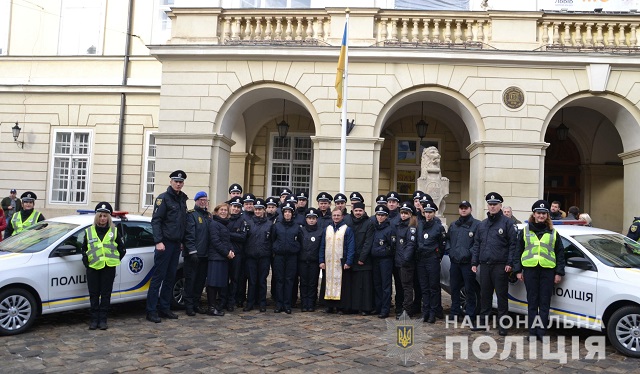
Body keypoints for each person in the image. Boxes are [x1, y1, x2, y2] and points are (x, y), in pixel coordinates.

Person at [514, 200, 565, 341]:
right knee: (532, 302)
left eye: (544, 213)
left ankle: (541, 332)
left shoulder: (553, 233)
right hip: (530, 270)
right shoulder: (525, 231)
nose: (541, 216)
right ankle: (532, 332)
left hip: (547, 271)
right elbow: (517, 252)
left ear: (547, 215)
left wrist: (559, 273)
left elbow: (560, 254)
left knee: (544, 303)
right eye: (538, 213)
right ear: (534, 214)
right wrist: (518, 270)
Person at [471, 192, 518, 335]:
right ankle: (484, 322)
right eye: (490, 205)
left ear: (500, 206)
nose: (492, 207)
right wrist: (474, 261)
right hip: (485, 264)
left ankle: (503, 325)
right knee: (485, 295)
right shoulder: (482, 224)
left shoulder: (507, 223)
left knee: (502, 296)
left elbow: (513, 245)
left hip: (500, 265)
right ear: (488, 206)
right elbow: (477, 244)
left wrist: (510, 262)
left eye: (495, 205)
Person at [146, 170, 188, 323]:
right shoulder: (163, 199)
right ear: (171, 182)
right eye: (176, 181)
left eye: (181, 182)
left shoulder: (182, 199)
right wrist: (158, 241)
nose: (178, 184)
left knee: (170, 277)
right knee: (158, 278)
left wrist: (182, 241)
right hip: (164, 244)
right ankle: (151, 310)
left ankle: (164, 308)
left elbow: (181, 223)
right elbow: (156, 221)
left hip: (176, 244)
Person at [81, 202, 126, 330]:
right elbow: (83, 249)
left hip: (109, 268)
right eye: (100, 216)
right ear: (97, 217)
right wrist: (87, 263)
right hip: (93, 267)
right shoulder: (89, 231)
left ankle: (103, 320)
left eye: (105, 216)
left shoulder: (114, 231)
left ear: (108, 218)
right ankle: (94, 320)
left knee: (106, 295)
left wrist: (114, 260)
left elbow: (122, 249)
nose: (102, 219)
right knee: (94, 294)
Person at [447, 201, 481, 322]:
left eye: (466, 208)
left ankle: (470, 315)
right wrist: (450, 251)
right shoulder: (454, 225)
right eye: (461, 208)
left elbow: (478, 243)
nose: (463, 210)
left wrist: (469, 253)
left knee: (469, 289)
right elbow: (448, 241)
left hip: (468, 263)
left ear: (470, 209)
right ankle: (455, 313)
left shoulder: (477, 225)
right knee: (455, 289)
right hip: (455, 262)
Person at [415, 200, 446, 323]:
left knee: (433, 287)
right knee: (424, 287)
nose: (428, 214)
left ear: (434, 213)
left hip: (432, 259)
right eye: (426, 212)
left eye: (430, 212)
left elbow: (442, 244)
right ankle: (425, 311)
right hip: (421, 259)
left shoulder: (438, 227)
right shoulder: (420, 225)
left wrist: (437, 256)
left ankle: (433, 312)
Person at [319, 207, 355, 314]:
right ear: (331, 216)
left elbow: (351, 246)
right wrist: (321, 261)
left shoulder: (347, 229)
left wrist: (349, 261)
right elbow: (322, 246)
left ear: (342, 216)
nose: (336, 217)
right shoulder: (327, 229)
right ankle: (329, 306)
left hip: (341, 262)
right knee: (328, 283)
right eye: (334, 215)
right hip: (329, 262)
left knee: (341, 285)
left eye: (338, 215)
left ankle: (340, 307)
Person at [342, 201, 374, 315]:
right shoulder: (346, 221)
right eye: (356, 211)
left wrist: (362, 258)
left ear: (364, 211)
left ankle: (364, 308)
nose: (358, 213)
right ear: (352, 211)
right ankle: (351, 307)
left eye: (360, 211)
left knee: (363, 286)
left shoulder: (369, 223)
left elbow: (368, 242)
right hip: (350, 258)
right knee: (351, 285)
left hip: (363, 260)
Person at [184, 191, 211, 316]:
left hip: (205, 255)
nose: (203, 202)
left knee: (200, 282)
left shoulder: (208, 216)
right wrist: (192, 251)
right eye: (200, 200)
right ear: (196, 201)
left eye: (205, 200)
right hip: (193, 255)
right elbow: (189, 235)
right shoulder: (191, 215)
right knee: (191, 281)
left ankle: (196, 303)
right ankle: (189, 306)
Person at [271, 202, 300, 314]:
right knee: (279, 280)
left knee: (289, 280)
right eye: (285, 212)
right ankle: (279, 304)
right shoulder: (276, 226)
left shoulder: (297, 227)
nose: (287, 214)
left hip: (292, 257)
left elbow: (300, 241)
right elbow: (273, 239)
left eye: (289, 212)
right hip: (279, 256)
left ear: (292, 213)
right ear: (283, 213)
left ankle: (287, 304)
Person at [243, 198, 272, 312]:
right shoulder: (249, 223)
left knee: (262, 281)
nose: (258, 211)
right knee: (252, 281)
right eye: (256, 209)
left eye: (260, 209)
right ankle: (250, 302)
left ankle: (262, 303)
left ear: (264, 210)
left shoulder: (270, 224)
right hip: (251, 256)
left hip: (264, 256)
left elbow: (272, 239)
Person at [206, 203, 235, 316]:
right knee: (213, 284)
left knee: (219, 283)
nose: (223, 212)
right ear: (217, 211)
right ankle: (211, 307)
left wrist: (231, 250)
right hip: (216, 258)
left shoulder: (224, 224)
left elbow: (227, 241)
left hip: (222, 258)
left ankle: (216, 306)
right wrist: (227, 253)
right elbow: (215, 241)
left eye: (225, 210)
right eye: (221, 210)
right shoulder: (214, 224)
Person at [371, 205, 396, 319]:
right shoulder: (374, 227)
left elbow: (392, 246)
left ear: (386, 216)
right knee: (377, 284)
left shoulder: (390, 229)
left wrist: (383, 251)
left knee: (386, 285)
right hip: (375, 259)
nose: (380, 217)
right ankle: (378, 306)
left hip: (385, 260)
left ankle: (385, 309)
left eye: (382, 215)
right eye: (378, 215)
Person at [298, 208, 323, 312]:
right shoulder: (301, 230)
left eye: (313, 218)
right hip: (303, 261)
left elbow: (322, 247)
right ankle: (304, 303)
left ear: (316, 219)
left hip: (314, 261)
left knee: (313, 283)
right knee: (303, 283)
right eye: (309, 218)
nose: (311, 220)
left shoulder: (321, 231)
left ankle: (311, 303)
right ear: (306, 219)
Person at [394, 202, 417, 318]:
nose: (403, 215)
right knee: (401, 287)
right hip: (398, 261)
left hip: (406, 262)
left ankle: (407, 310)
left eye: (406, 213)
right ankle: (403, 308)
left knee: (407, 287)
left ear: (410, 214)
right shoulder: (399, 225)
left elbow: (410, 245)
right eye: (402, 213)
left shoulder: (411, 227)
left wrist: (405, 260)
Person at [226, 196, 249, 312]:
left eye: (238, 207)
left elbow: (243, 237)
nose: (236, 209)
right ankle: (223, 299)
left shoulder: (242, 221)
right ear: (230, 207)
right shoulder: (225, 219)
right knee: (224, 278)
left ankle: (231, 301)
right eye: (234, 206)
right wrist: (234, 234)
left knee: (235, 278)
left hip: (237, 254)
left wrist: (228, 234)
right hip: (225, 253)